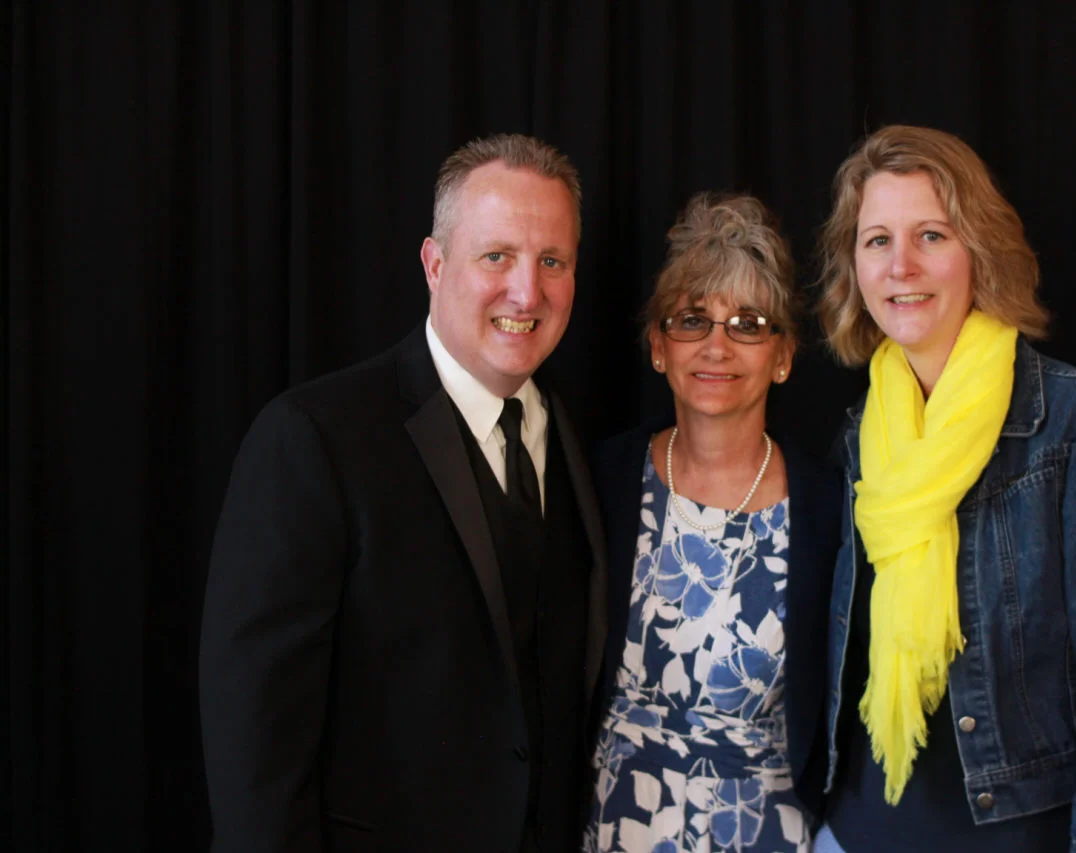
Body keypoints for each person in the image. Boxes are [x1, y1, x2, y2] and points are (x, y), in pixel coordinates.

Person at [200, 133, 607, 852]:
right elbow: (254, 737)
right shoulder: (313, 438)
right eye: (497, 256)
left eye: (553, 261)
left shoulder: (580, 437)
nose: (527, 291)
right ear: (434, 263)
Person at [812, 124, 1076, 853]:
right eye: (877, 240)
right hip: (853, 834)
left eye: (931, 235)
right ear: (854, 266)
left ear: (979, 249)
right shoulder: (859, 437)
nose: (901, 264)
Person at [583, 194, 841, 853]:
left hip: (765, 832)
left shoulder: (831, 509)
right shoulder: (599, 480)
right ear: (658, 346)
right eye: (693, 320)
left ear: (783, 355)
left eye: (748, 324)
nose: (717, 347)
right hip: (616, 826)